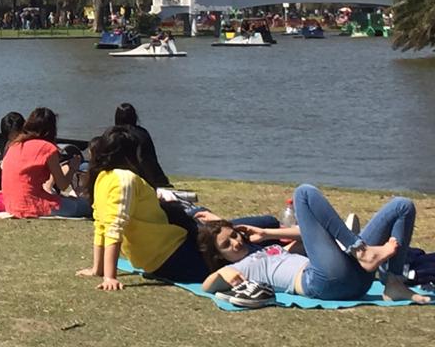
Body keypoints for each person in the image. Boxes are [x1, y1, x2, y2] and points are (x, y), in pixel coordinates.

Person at [198, 184, 430, 304]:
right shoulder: (236, 269)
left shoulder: (265, 250)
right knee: (304, 193)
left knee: (402, 205)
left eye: (235, 235)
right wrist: (223, 277)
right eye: (227, 244)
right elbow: (207, 286)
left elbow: (309, 232)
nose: (236, 242)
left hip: (355, 279)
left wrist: (267, 233)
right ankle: (361, 251)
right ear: (220, 256)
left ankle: (394, 283)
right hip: (321, 281)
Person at [78, 127, 209, 290]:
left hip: (160, 255)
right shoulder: (124, 179)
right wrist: (109, 277)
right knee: (238, 251)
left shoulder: (102, 177)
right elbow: (114, 227)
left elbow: (101, 225)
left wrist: (98, 269)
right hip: (171, 253)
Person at [1, 107, 91, 218]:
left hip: (12, 204)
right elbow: (63, 185)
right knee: (86, 205)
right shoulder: (47, 148)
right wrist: (72, 168)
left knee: (69, 201)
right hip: (33, 204)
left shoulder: (14, 145)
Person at [111, 103, 171, 188]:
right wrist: (160, 179)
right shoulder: (142, 134)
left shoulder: (111, 134)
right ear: (134, 117)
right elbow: (150, 160)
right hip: (142, 178)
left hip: (114, 178)